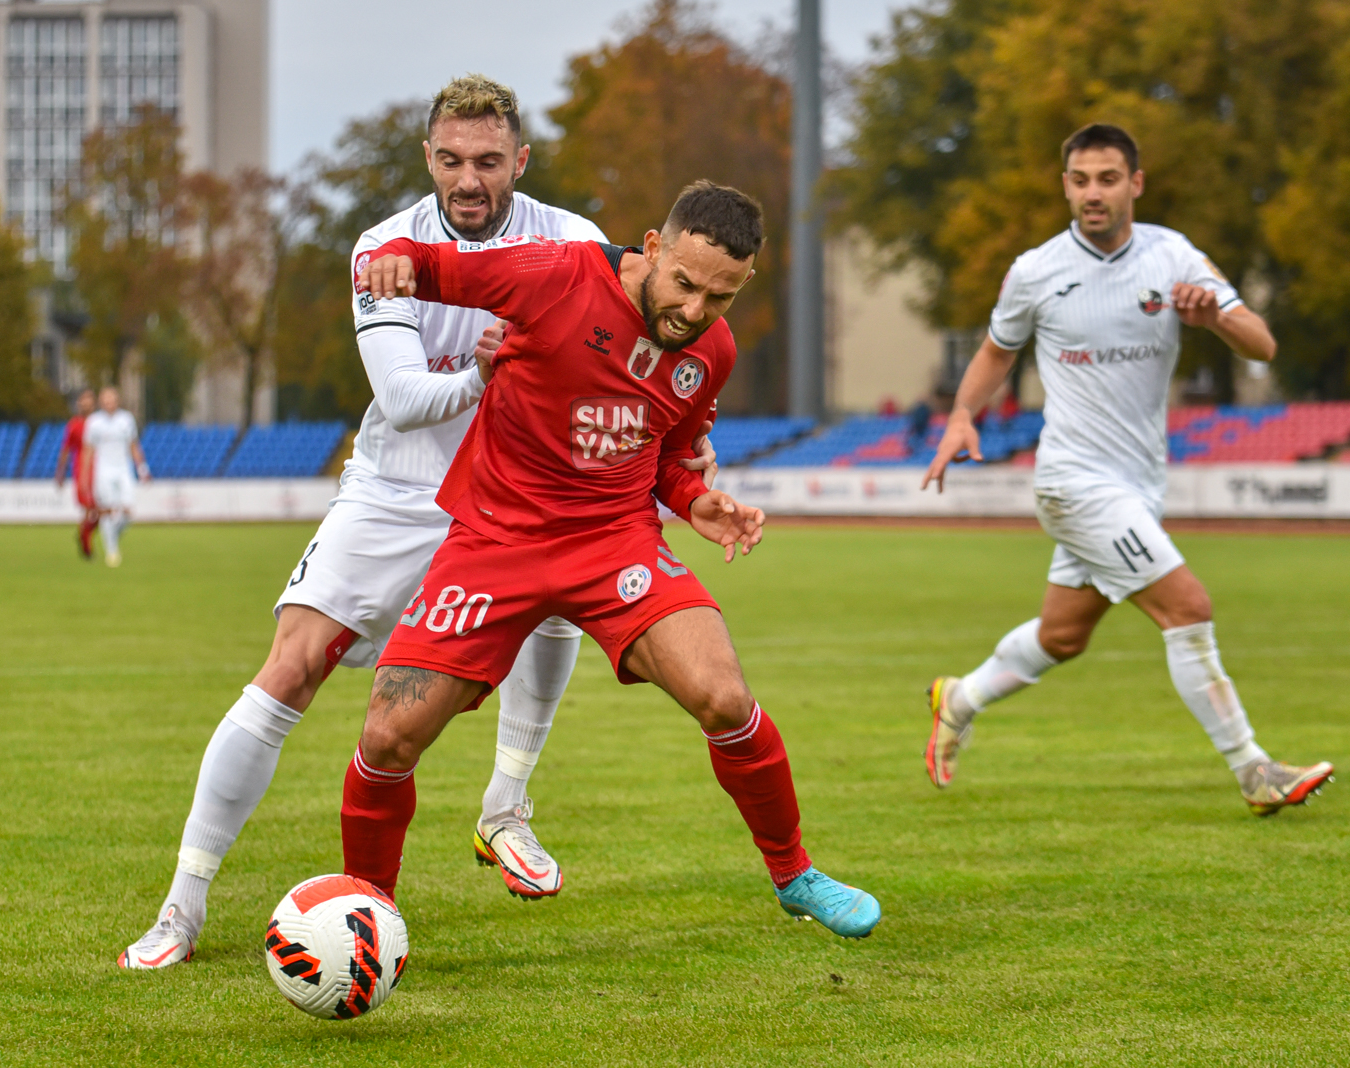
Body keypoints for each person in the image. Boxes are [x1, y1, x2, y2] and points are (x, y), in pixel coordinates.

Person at [118, 75, 716, 970]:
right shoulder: (384, 246)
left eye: (488, 161)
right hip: (398, 489)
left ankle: (505, 808)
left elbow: (644, 364)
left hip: (523, 497)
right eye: (451, 160)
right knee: (290, 669)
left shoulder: (575, 241)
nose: (469, 179)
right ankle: (182, 905)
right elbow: (400, 400)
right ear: (427, 158)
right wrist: (484, 372)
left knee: (559, 609)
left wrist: (687, 456)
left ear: (520, 160)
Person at [338, 180, 880, 940]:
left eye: (719, 297)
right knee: (388, 736)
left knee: (725, 697)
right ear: (652, 248)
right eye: (684, 284)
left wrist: (696, 501)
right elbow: (429, 261)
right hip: (497, 539)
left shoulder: (713, 352)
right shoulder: (553, 273)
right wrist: (396, 257)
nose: (693, 311)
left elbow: (668, 454)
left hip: (614, 542)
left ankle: (795, 875)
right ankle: (365, 910)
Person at [922, 123, 1332, 815]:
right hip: (1073, 482)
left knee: (1062, 635)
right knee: (1188, 608)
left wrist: (1215, 319)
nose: (1093, 193)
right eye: (1080, 180)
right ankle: (1254, 770)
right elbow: (997, 349)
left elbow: (1261, 344)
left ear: (1135, 184)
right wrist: (963, 413)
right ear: (1065, 186)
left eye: (1108, 179)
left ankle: (958, 699)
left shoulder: (1175, 257)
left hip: (1139, 485)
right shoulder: (1036, 270)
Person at [83, 387, 147, 569]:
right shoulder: (94, 422)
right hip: (103, 472)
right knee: (107, 511)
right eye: (106, 399)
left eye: (111, 399)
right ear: (101, 402)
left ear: (117, 400)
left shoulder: (126, 419)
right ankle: (112, 551)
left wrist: (142, 468)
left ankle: (113, 538)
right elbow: (88, 450)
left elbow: (133, 445)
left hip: (123, 471)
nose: (109, 403)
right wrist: (85, 475)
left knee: (127, 512)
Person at [55, 389, 98, 559]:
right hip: (82, 471)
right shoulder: (74, 424)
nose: (86, 404)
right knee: (88, 508)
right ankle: (86, 543)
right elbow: (66, 449)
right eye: (83, 400)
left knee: (101, 509)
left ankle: (83, 533)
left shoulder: (99, 423)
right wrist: (60, 472)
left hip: (101, 470)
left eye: (89, 400)